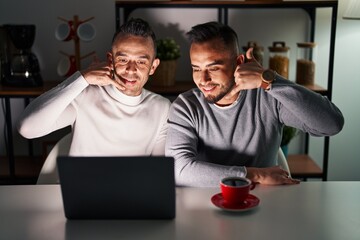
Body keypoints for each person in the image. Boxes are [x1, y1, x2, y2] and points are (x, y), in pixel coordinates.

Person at [165, 21, 344, 187]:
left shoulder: (269, 97)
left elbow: (331, 125)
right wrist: (256, 175)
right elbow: (178, 169)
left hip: (263, 203)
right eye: (196, 68)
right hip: (206, 204)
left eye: (213, 68)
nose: (203, 79)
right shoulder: (186, 106)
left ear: (239, 62)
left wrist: (270, 81)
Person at [17, 18, 171, 157]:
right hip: (80, 187)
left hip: (132, 188)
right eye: (123, 59)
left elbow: (159, 169)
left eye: (141, 62)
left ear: (153, 66)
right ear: (110, 60)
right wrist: (81, 78)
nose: (131, 69)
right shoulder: (85, 94)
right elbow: (27, 128)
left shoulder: (162, 108)